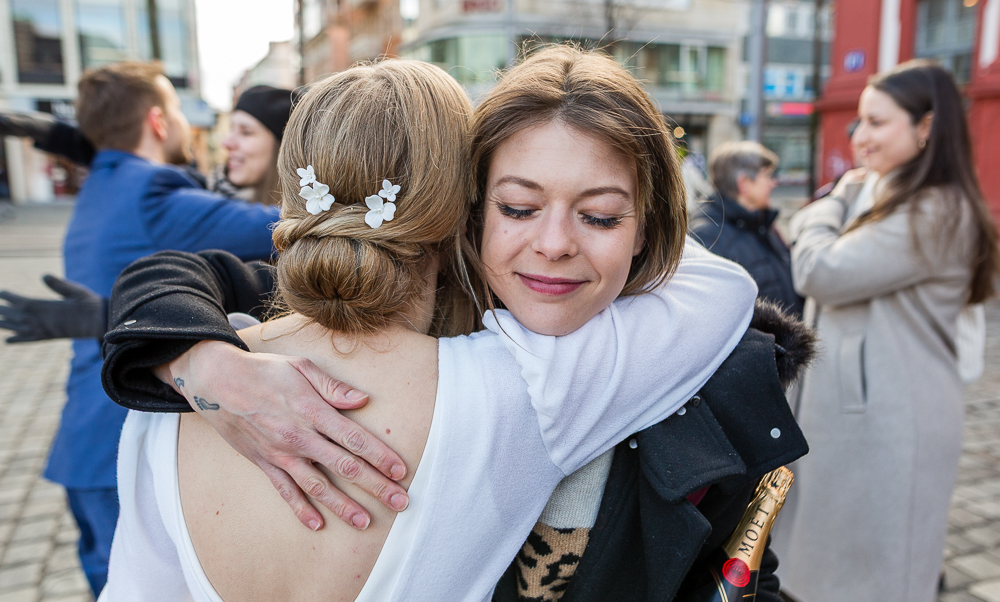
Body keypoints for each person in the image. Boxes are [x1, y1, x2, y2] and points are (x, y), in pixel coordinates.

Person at [101, 47, 812, 601]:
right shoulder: (526, 388)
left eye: (597, 213)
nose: (557, 242)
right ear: (462, 214)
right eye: (518, 205)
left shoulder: (165, 406)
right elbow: (722, 287)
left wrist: (198, 362)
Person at [46, 62, 283, 597]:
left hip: (82, 442)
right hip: (124, 442)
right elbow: (285, 223)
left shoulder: (103, 183)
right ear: (157, 121)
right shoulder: (153, 193)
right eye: (176, 111)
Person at [770, 60, 1000, 602]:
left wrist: (827, 208)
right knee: (832, 564)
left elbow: (821, 271)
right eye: (859, 121)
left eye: (877, 121)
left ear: (926, 127)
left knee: (874, 573)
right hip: (864, 413)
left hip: (891, 420)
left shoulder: (936, 209)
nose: (860, 135)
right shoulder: (890, 196)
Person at [0, 84, 296, 344]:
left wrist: (109, 315)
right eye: (231, 129)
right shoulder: (210, 196)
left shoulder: (291, 224)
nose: (227, 142)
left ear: (287, 148)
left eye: (245, 132)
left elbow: (299, 226)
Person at [690, 141, 804, 317]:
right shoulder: (708, 236)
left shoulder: (762, 224)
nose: (772, 183)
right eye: (766, 175)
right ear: (744, 183)